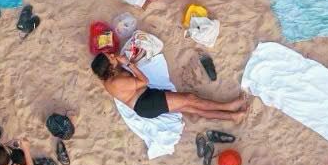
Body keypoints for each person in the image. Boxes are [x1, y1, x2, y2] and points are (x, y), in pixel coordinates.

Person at [90, 53, 248, 123]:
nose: (112, 55)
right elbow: (144, 81)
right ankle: (230, 106)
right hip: (147, 103)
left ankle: (232, 117)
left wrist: (120, 62)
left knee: (190, 107)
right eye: (110, 57)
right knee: (190, 99)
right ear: (109, 67)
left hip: (145, 102)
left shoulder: (108, 78)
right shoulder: (116, 83)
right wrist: (128, 64)